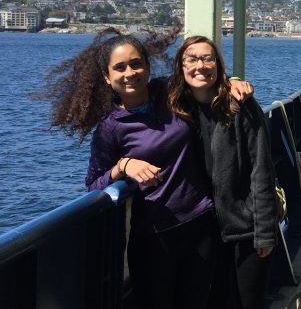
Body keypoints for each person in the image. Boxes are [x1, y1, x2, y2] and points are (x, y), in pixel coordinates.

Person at [46, 27, 252, 309]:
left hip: (201, 222)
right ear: (108, 77)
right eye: (120, 68)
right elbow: (93, 184)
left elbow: (203, 78)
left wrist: (234, 82)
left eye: (136, 63)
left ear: (146, 66)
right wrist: (123, 165)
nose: (129, 72)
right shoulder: (111, 128)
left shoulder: (168, 92)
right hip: (155, 238)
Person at [167, 35, 278, 309]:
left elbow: (261, 170)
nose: (200, 66)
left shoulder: (241, 106)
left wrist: (264, 231)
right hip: (201, 232)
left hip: (244, 231)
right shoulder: (175, 109)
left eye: (208, 58)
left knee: (246, 302)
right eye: (191, 59)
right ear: (180, 67)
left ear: (218, 64)